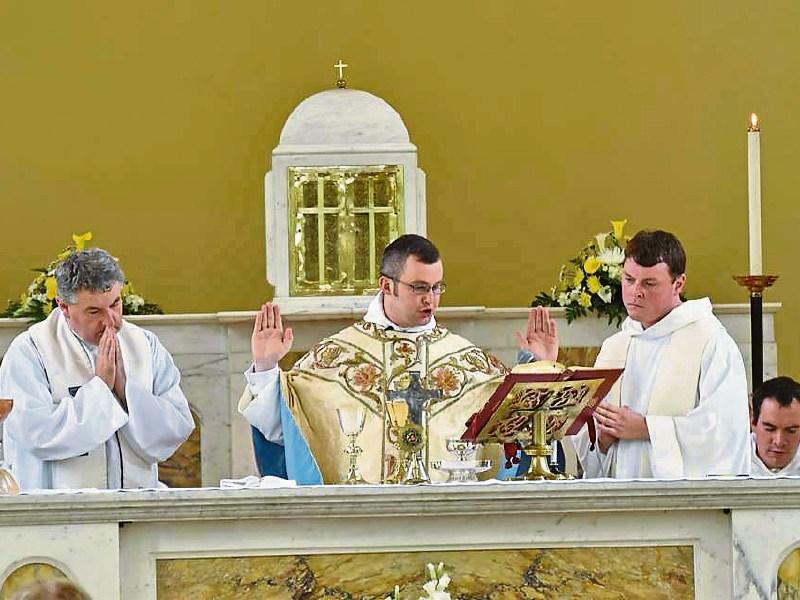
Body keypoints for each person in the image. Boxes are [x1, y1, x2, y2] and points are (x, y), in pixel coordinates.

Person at [239, 234, 558, 484]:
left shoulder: (470, 363)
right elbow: (281, 429)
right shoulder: (334, 359)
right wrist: (266, 368)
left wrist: (540, 369)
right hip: (359, 534)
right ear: (386, 285)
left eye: (437, 288)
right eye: (419, 287)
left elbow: (522, 428)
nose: (430, 299)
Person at [0, 248, 194, 490]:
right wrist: (101, 387)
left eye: (115, 304)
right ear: (64, 307)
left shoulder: (146, 345)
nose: (110, 320)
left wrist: (125, 390)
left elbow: (177, 426)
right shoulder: (30, 351)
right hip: (63, 517)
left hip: (138, 507)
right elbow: (36, 434)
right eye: (94, 311)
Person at [571, 230, 750, 478]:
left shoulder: (711, 342)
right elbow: (587, 439)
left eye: (649, 283)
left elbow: (723, 431)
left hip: (682, 510)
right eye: (629, 279)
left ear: (679, 283)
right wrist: (602, 439)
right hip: (617, 504)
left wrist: (646, 428)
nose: (636, 292)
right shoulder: (615, 346)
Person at [751, 376, 800, 476]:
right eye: (769, 429)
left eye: (791, 431)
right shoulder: (729, 462)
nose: (779, 441)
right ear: (753, 422)